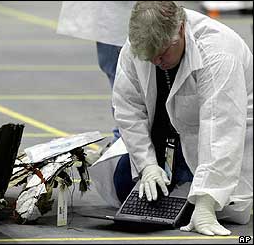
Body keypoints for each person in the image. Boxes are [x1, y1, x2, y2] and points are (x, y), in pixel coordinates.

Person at [92, 1, 253, 237]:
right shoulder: (137, 44)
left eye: (163, 52)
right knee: (124, 183)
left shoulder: (218, 52)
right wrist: (146, 166)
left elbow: (221, 129)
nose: (157, 61)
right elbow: (128, 109)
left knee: (190, 199)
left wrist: (207, 200)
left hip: (218, 141)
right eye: (150, 57)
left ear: (180, 28)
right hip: (168, 136)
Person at [56, 1, 136, 143]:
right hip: (114, 18)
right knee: (115, 71)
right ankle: (122, 138)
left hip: (121, 18)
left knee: (123, 76)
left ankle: (122, 140)